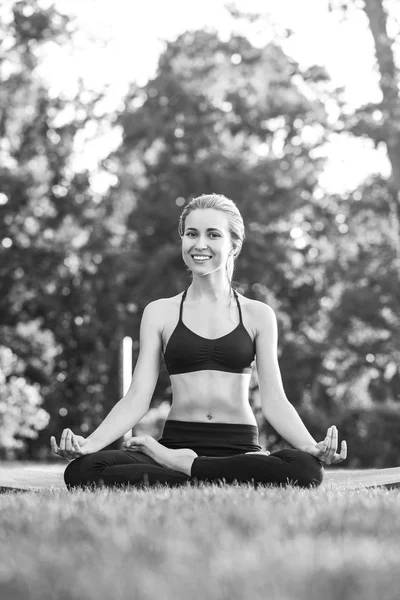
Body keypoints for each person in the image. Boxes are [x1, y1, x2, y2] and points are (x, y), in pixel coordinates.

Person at [51, 193, 347, 491]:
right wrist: (89, 444)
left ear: (233, 245)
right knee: (83, 471)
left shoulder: (259, 315)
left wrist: (311, 447)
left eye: (213, 235)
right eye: (191, 234)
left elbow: (274, 401)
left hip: (238, 445)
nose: (199, 244)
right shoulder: (159, 312)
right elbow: (136, 398)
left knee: (307, 469)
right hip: (177, 441)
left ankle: (185, 468)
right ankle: (215, 473)